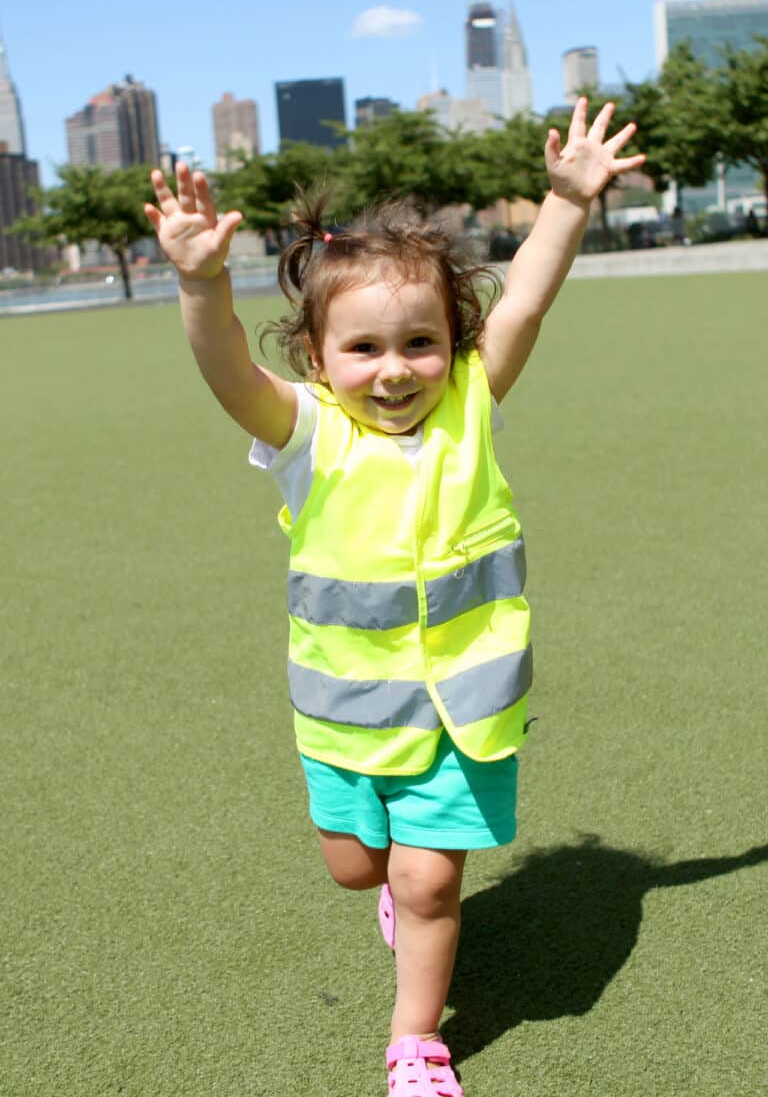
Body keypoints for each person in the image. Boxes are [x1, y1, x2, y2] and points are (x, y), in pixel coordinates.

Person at [145, 98, 644, 1097]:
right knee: (358, 868)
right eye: (363, 349)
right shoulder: (306, 433)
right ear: (319, 360)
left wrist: (565, 202)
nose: (394, 370)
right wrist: (202, 280)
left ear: (451, 346)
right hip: (345, 711)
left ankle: (415, 1040)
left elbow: (524, 306)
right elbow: (224, 370)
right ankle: (388, 890)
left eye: (419, 343)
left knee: (427, 880)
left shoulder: (470, 401)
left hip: (468, 708)